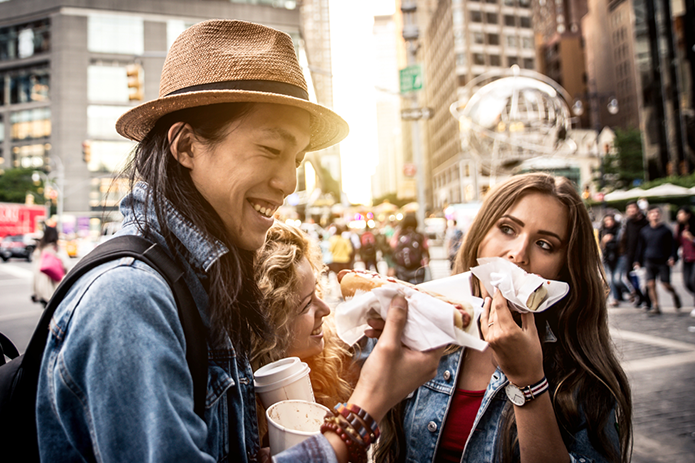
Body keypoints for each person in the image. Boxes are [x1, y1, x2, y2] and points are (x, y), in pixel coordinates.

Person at [36, 20, 443, 463]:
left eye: (297, 159)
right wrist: (362, 414)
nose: (288, 181)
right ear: (186, 146)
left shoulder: (208, 279)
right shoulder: (129, 299)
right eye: (270, 150)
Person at [373, 173, 632, 463]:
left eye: (545, 244)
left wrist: (529, 381)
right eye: (508, 229)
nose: (518, 254)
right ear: (481, 235)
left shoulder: (583, 375)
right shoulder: (424, 335)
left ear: (562, 271)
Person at [253, 221, 357, 412]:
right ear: (270, 321)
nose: (326, 309)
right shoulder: (242, 401)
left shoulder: (345, 352)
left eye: (317, 290)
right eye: (307, 304)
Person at [635, 206, 682, 315]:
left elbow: (673, 246)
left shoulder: (666, 230)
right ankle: (656, 306)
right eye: (652, 213)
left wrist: (673, 257)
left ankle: (674, 294)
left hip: (663, 261)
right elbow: (640, 247)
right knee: (650, 284)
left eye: (656, 213)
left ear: (660, 215)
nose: (655, 215)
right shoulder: (644, 231)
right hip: (649, 260)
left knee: (666, 284)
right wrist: (637, 260)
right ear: (648, 216)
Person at [621, 201, 651, 309]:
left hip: (643, 254)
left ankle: (648, 300)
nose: (630, 211)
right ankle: (640, 296)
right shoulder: (628, 222)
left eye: (632, 208)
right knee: (629, 277)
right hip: (630, 253)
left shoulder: (645, 222)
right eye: (628, 209)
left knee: (645, 279)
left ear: (638, 209)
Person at [31, 225, 67, 307]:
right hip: (55, 291)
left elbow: (35, 274)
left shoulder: (39, 250)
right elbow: (67, 266)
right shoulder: (56, 250)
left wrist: (35, 292)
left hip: (42, 291)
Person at [392, 214, 429, 284]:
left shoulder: (399, 234)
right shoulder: (419, 235)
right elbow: (426, 247)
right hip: (417, 269)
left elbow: (393, 246)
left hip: (401, 269)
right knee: (416, 290)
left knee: (403, 290)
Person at [599, 213, 627, 306]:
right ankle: (615, 299)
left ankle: (631, 292)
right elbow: (600, 246)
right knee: (610, 280)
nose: (608, 222)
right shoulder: (602, 231)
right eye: (606, 220)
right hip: (607, 258)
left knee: (617, 279)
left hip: (618, 257)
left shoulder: (620, 231)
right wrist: (604, 241)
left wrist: (613, 239)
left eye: (610, 220)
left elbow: (622, 244)